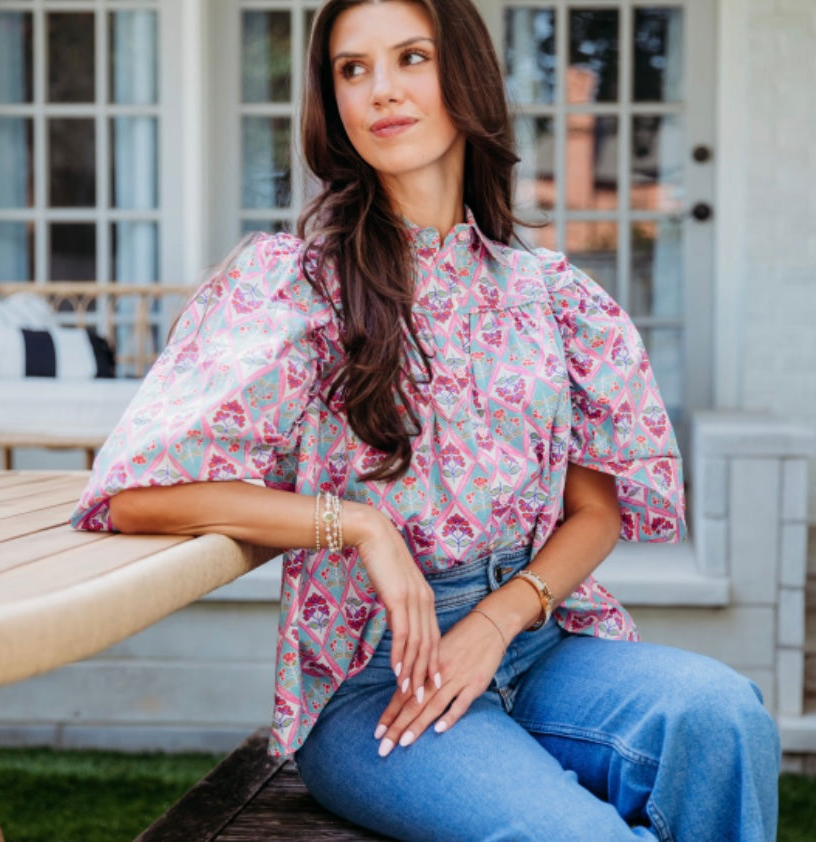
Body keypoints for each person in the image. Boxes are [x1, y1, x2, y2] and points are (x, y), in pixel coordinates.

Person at [71, 0, 780, 838]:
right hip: (376, 676)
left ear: (465, 75)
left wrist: (498, 619)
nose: (381, 91)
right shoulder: (295, 283)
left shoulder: (553, 296)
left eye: (412, 57)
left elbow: (596, 511)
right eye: (352, 69)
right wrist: (361, 527)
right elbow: (136, 498)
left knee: (725, 717)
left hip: (537, 641)